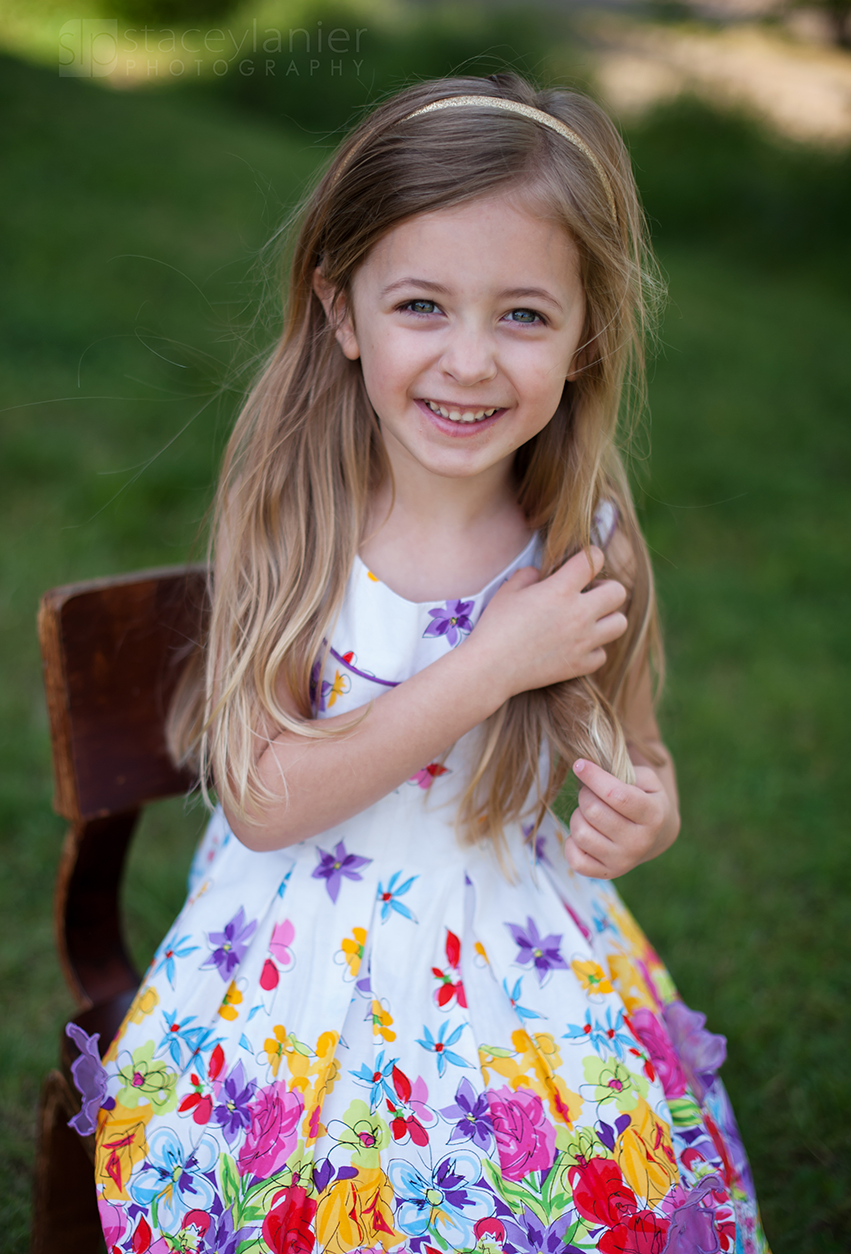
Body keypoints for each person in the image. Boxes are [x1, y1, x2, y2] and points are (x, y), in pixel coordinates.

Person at [79, 74, 770, 1253]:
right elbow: (260, 799)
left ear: (585, 331)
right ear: (342, 313)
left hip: (516, 930)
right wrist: (490, 663)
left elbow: (638, 747)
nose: (468, 362)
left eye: (521, 315)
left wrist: (639, 813)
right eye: (419, 305)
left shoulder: (583, 532)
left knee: (570, 1200)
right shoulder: (296, 507)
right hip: (301, 948)